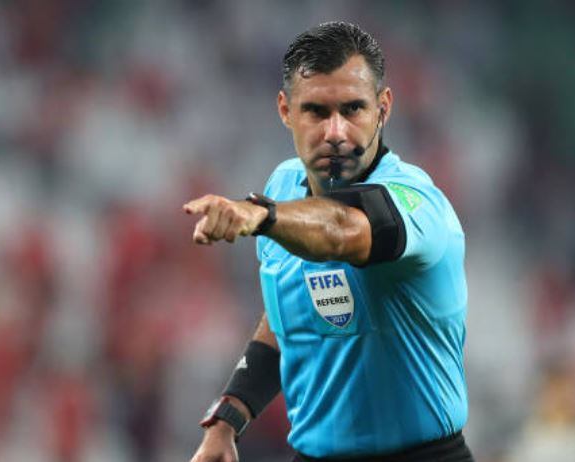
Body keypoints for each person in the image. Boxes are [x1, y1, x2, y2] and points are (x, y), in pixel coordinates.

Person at [186, 22, 472, 462]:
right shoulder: (283, 186)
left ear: (383, 108)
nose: (335, 132)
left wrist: (263, 216)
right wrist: (228, 418)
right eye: (316, 112)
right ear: (286, 111)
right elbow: (288, 316)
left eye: (353, 109)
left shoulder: (417, 202)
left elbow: (342, 230)